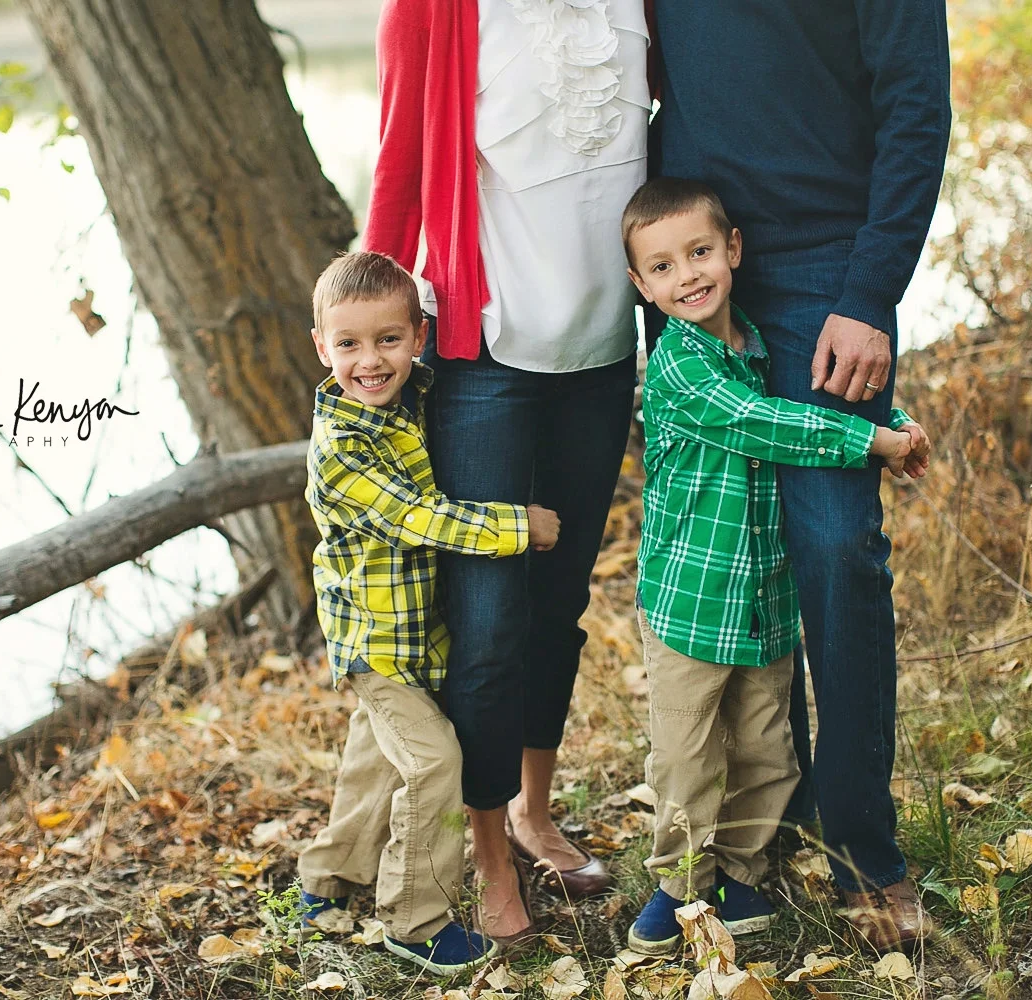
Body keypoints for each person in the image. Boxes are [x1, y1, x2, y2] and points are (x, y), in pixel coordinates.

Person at [649, 0, 952, 950]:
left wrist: (870, 293)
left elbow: (917, 106)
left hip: (829, 267)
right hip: (692, 257)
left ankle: (863, 848)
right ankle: (759, 829)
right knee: (733, 547)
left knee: (834, 547)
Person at [363, 0, 653, 943]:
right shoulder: (432, 12)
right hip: (483, 357)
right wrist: (365, 351)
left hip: (603, 356)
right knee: (488, 625)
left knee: (558, 602)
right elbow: (399, 172)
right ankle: (487, 851)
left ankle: (533, 811)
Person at [617, 179, 931, 954]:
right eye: (662, 266)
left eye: (699, 252)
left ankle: (745, 873)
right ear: (641, 285)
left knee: (765, 749)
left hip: (764, 599)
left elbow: (807, 396)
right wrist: (872, 443)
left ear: (733, 249)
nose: (687, 276)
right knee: (687, 756)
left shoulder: (760, 343)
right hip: (692, 604)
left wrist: (889, 418)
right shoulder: (679, 367)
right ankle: (679, 884)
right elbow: (766, 424)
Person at [293, 252, 562, 975]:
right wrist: (517, 526)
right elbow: (422, 519)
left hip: (418, 636)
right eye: (348, 344)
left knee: (375, 763)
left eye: (389, 339)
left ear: (420, 335)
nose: (370, 361)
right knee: (434, 762)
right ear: (321, 347)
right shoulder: (342, 450)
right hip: (376, 645)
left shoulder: (413, 396)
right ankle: (415, 920)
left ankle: (325, 878)